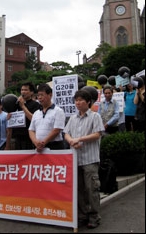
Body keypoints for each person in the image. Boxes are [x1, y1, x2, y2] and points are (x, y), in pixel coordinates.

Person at [64, 90, 105, 229]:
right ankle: (82, 215)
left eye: (81, 100)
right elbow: (66, 133)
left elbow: (97, 134)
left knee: (91, 189)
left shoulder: (95, 116)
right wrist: (71, 141)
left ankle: (94, 216)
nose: (78, 102)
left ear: (88, 102)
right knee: (79, 190)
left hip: (90, 159)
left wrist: (79, 139)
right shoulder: (73, 118)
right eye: (76, 100)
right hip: (75, 159)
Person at [28, 83, 65, 152]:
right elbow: (31, 130)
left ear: (50, 95)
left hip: (54, 147)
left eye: (42, 95)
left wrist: (43, 142)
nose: (39, 98)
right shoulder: (36, 113)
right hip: (38, 148)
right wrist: (35, 142)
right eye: (38, 95)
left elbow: (56, 130)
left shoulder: (58, 111)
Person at [13, 82, 40, 150]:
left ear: (31, 92)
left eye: (26, 90)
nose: (23, 92)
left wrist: (23, 106)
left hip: (29, 137)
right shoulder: (16, 104)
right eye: (22, 90)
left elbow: (33, 119)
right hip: (17, 136)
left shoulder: (35, 105)